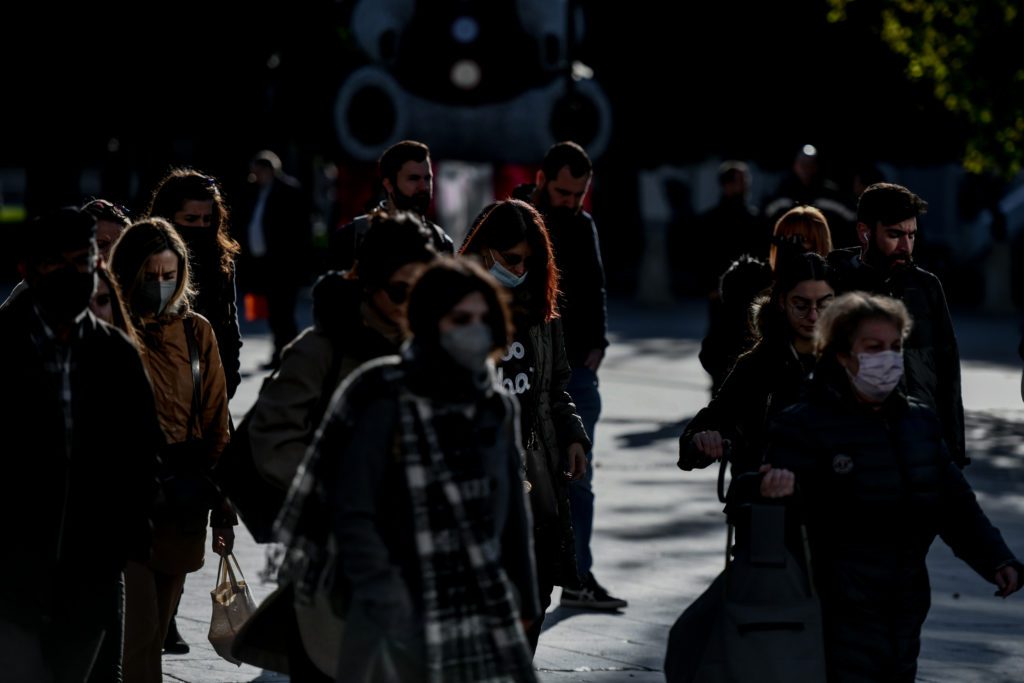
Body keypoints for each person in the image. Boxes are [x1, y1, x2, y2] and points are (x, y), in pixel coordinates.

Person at [279, 258, 539, 681]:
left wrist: (526, 602)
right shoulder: (380, 392)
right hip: (392, 617)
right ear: (431, 321)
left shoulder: (495, 404)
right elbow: (351, 512)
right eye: (460, 318)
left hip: (480, 605)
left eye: (482, 317)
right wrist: (391, 603)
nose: (475, 328)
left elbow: (513, 517)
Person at [762, 291, 1021, 681]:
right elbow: (762, 510)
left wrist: (996, 559)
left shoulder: (918, 422)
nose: (888, 357)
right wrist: (772, 491)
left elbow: (954, 503)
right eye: (874, 347)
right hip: (832, 605)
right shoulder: (802, 425)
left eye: (895, 346)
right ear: (841, 354)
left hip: (905, 601)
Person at [244, 212, 438, 680]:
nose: (412, 303)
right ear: (367, 283)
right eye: (399, 290)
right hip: (335, 567)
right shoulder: (322, 349)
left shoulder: (436, 352)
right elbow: (271, 439)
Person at [0, 207, 163, 683]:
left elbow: (140, 456)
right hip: (12, 580)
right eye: (55, 263)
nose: (72, 274)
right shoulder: (6, 348)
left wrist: (126, 540)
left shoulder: (116, 355)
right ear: (27, 270)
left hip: (90, 578)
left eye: (82, 260)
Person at [108, 217, 236, 682]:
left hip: (179, 499)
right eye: (149, 276)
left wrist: (223, 507)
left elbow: (216, 421)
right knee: (137, 633)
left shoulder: (195, 332)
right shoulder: (109, 328)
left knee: (155, 634)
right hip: (122, 497)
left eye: (169, 276)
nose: (159, 286)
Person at [460, 198, 590, 652]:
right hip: (481, 477)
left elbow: (556, 385)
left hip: (536, 469)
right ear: (487, 250)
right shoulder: (457, 305)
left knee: (536, 589)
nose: (520, 269)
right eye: (512, 259)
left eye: (529, 262)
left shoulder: (539, 303)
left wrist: (573, 433)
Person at [513, 140, 624, 611]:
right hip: (519, 366)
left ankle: (578, 577)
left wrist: (597, 347)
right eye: (562, 192)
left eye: (578, 194)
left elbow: (596, 287)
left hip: (574, 369)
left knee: (578, 475)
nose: (570, 202)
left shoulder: (583, 225)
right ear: (542, 180)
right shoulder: (512, 217)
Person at [827, 182, 967, 467]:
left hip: (921, 440)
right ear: (865, 232)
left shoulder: (927, 287)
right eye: (894, 235)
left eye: (911, 235)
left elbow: (948, 372)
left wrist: (953, 450)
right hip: (855, 443)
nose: (905, 246)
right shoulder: (835, 282)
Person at [680, 251, 835, 476]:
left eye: (823, 305)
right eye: (801, 305)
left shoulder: (849, 363)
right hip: (763, 497)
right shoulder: (759, 363)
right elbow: (709, 422)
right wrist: (702, 439)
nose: (813, 316)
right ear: (782, 302)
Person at [699, 204, 833, 397]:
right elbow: (714, 352)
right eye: (786, 239)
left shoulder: (837, 285)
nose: (796, 249)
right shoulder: (749, 283)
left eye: (804, 241)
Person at [146, 168, 243, 399]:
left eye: (207, 219)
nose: (201, 226)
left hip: (213, 389)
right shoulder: (148, 262)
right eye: (190, 219)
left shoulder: (220, 261)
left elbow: (229, 327)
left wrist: (229, 378)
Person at [236, 149, 313, 370]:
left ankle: (290, 355)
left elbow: (300, 230)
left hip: (284, 265)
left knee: (284, 314)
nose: (254, 176)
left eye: (258, 171)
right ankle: (279, 354)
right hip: (264, 264)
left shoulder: (288, 190)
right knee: (274, 314)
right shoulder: (255, 192)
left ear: (269, 170)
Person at [328, 139, 454, 270]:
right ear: (389, 184)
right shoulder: (351, 239)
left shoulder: (441, 242)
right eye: (413, 178)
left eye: (427, 178)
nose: (424, 187)